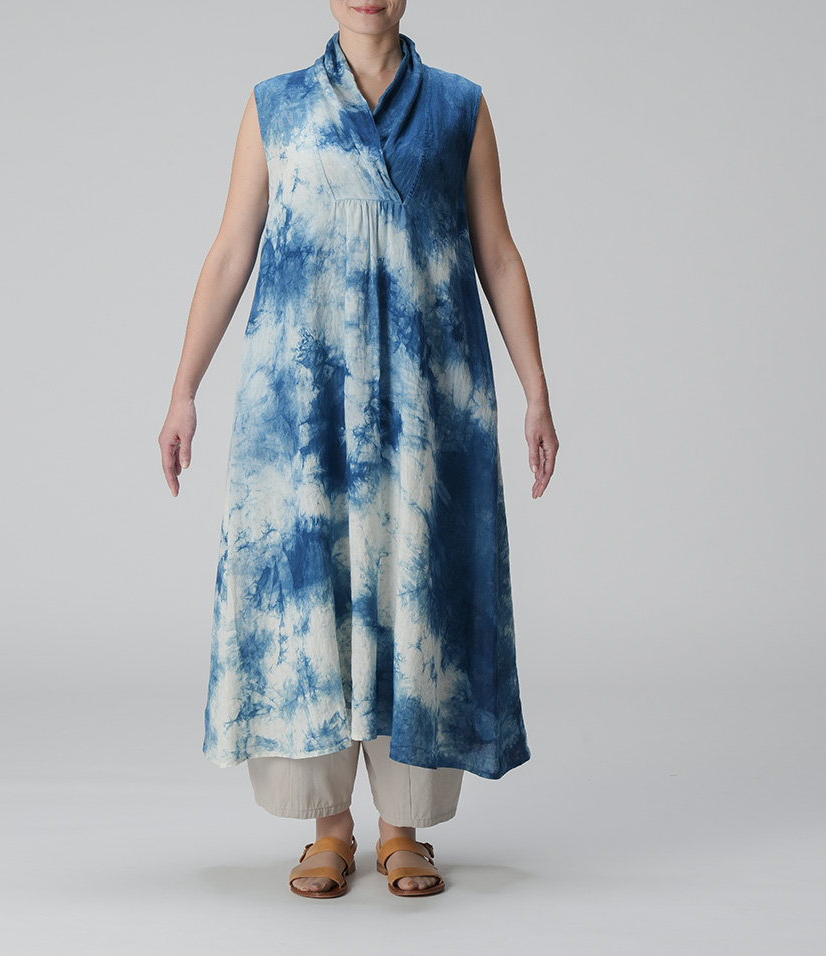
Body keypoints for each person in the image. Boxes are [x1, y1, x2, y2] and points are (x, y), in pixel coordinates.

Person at [158, 1, 558, 899]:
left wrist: (537, 388)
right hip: (303, 413)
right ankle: (327, 827)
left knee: (417, 585)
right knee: (313, 588)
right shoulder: (274, 105)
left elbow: (497, 251)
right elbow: (231, 252)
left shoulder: (459, 105)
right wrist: (184, 389)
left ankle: (405, 827)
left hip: (428, 405)